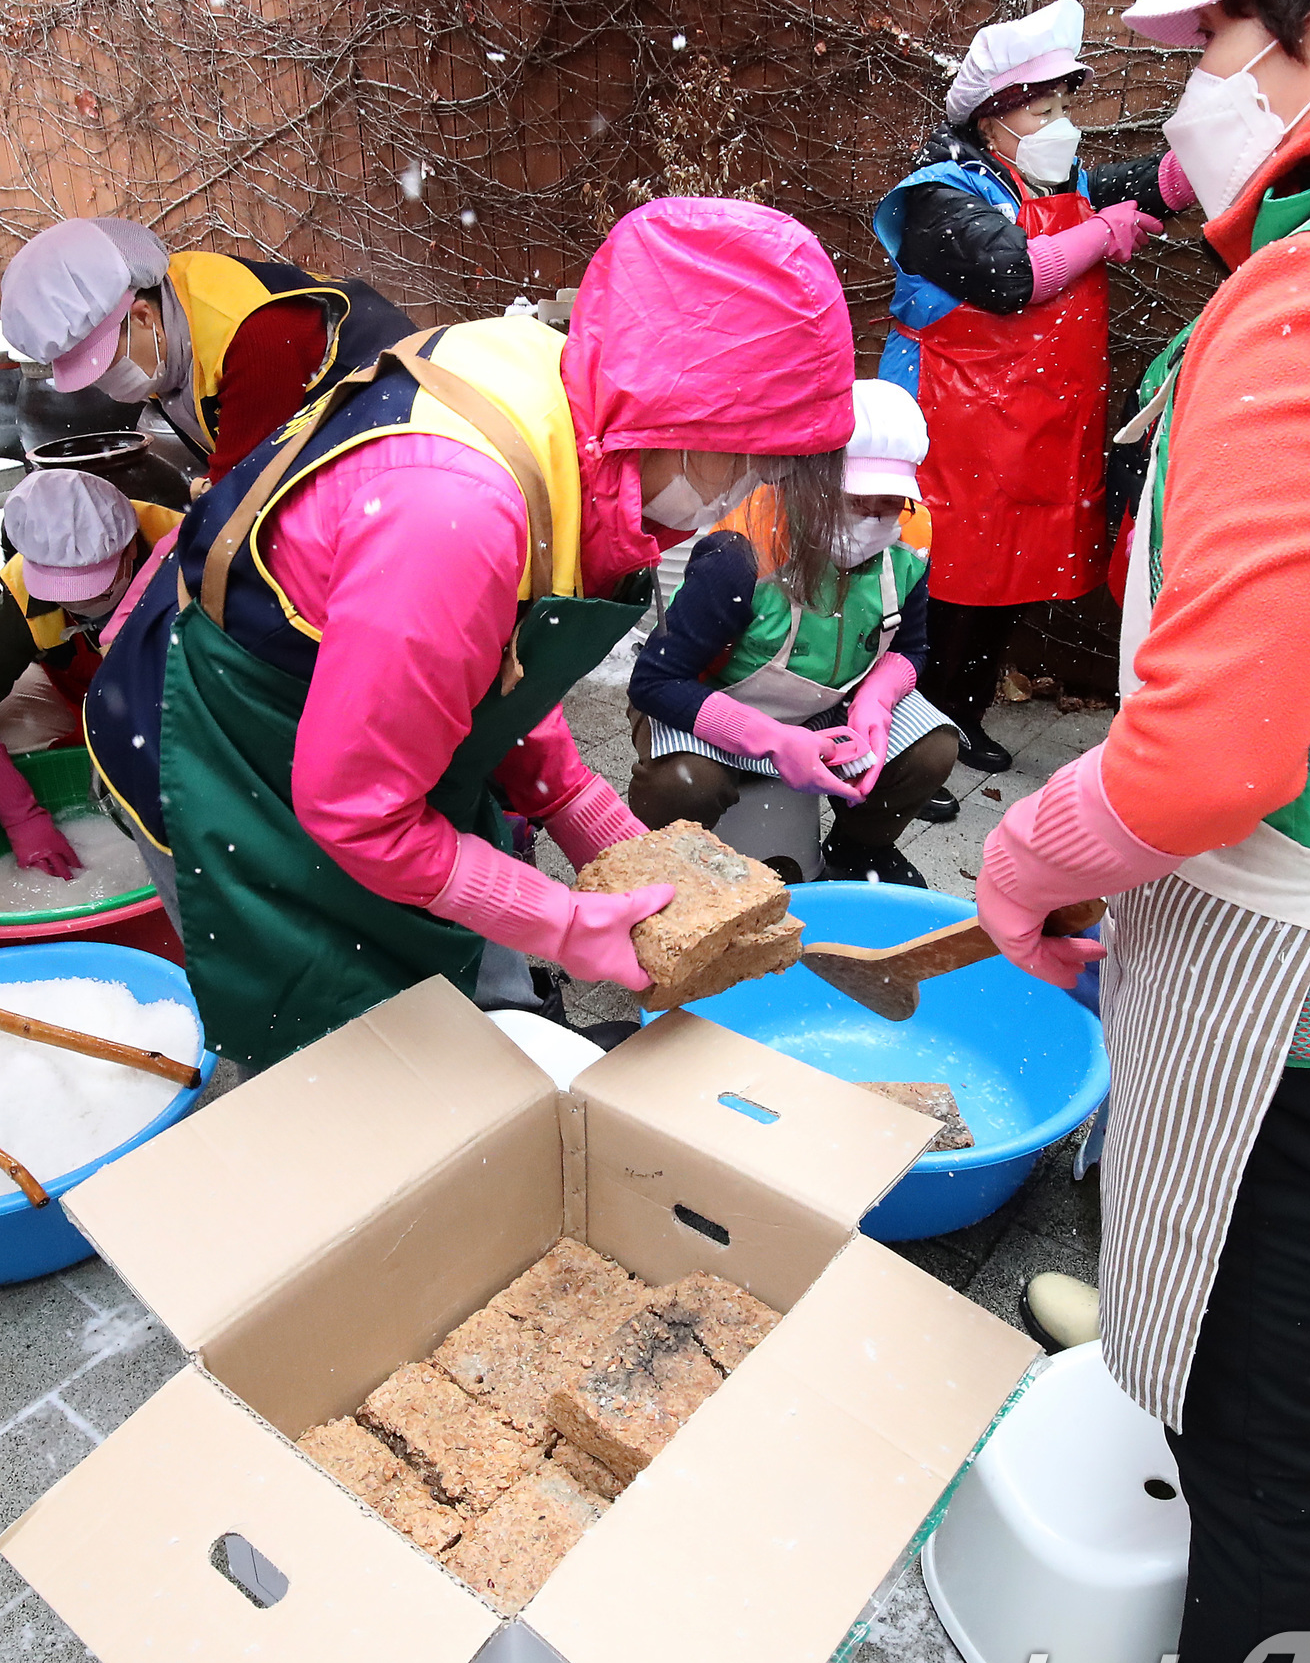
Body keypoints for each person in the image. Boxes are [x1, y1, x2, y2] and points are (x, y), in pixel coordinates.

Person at [970, 0, 1310, 1663]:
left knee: (1271, 1447)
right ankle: (1175, 1312)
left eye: (1225, 28)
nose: (1196, 72)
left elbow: (1202, 764)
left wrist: (1027, 853)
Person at [85, 198, 856, 1071]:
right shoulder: (453, 508)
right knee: (336, 1043)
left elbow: (491, 656)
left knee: (443, 983)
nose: (754, 487)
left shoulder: (581, 414)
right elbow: (358, 814)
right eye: (749, 456)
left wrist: (587, 817)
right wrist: (562, 925)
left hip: (351, 722)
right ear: (672, 409)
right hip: (220, 748)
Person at [873, 0, 1194, 797]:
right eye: (1044, 109)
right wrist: (1100, 233)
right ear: (993, 120)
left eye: (1063, 107)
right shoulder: (939, 198)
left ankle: (961, 714)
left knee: (1011, 579)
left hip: (1034, 428)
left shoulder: (1058, 180)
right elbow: (1012, 273)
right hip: (954, 427)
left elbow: (1148, 189)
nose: (1063, 125)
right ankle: (911, 737)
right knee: (944, 584)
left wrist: (1209, 155)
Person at [626, 379, 958, 885]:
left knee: (931, 747)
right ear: (806, 483)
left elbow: (910, 648)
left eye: (889, 502)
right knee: (685, 787)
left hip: (825, 701)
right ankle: (663, 870)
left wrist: (878, 698)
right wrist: (771, 740)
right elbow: (654, 682)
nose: (873, 520)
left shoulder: (908, 544)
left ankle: (857, 848)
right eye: (853, 500)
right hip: (708, 700)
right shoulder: (739, 557)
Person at [0, 219, 410, 486]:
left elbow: (244, 497)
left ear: (141, 317)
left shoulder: (253, 335)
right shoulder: (168, 318)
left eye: (104, 363)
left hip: (404, 445)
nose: (107, 385)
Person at [0, 470, 182, 880]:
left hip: (184, 692)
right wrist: (23, 819)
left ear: (131, 548)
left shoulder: (193, 550)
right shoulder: (16, 595)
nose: (80, 603)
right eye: (59, 591)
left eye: (96, 589)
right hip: (84, 693)